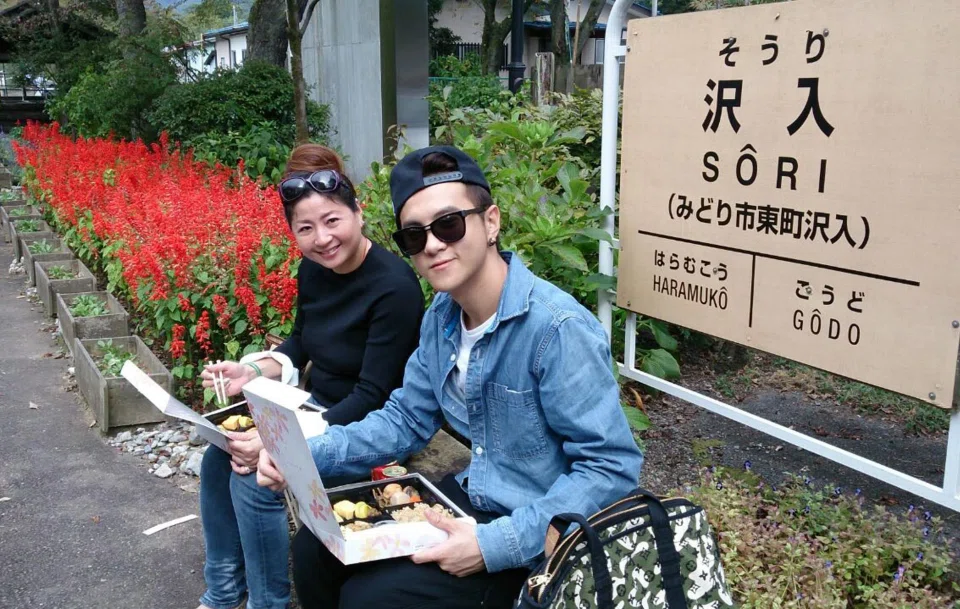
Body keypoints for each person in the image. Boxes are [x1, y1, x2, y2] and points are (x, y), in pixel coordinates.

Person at [257, 145, 645, 609]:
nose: (434, 245)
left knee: (372, 598)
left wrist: (489, 545)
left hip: (538, 539)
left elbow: (611, 467)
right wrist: (302, 456)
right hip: (470, 499)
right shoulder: (442, 317)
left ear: (491, 222)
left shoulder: (556, 330)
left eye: (449, 224)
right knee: (315, 550)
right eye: (415, 236)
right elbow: (404, 419)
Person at [195, 144, 425, 609]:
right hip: (319, 411)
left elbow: (374, 395)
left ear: (358, 212)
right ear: (293, 233)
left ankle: (269, 602)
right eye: (306, 228)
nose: (322, 238)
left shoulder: (394, 287)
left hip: (372, 428)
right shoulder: (314, 269)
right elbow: (301, 342)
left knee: (255, 478)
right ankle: (222, 591)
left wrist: (286, 440)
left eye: (332, 221)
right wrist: (252, 370)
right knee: (218, 458)